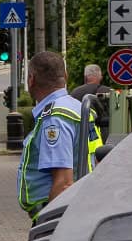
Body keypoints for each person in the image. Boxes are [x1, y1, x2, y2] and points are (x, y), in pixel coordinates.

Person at [17, 51, 85, 220]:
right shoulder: (77, 107)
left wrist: (49, 225)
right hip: (79, 208)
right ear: (66, 76)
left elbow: (64, 183)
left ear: (31, 80)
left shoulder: (55, 118)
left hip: (57, 217)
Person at [69, 63, 111, 137]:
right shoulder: (109, 92)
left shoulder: (75, 92)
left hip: (81, 135)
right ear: (101, 77)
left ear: (85, 77)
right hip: (104, 136)